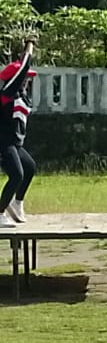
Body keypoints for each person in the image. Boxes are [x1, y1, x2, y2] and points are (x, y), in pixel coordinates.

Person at [0, 40, 38, 225]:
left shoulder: (22, 95)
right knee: (17, 175)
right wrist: (30, 46)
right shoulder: (6, 93)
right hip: (3, 143)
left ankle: (17, 203)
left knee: (29, 168)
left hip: (15, 143)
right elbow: (23, 68)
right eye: (24, 77)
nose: (27, 79)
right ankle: (0, 213)